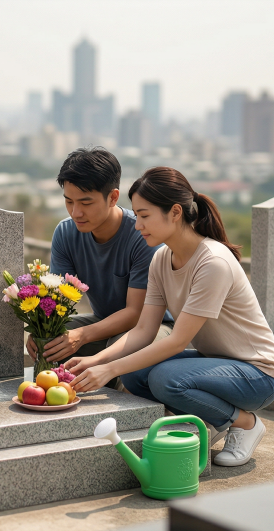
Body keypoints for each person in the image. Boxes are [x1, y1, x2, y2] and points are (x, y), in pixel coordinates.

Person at [67, 167, 274, 467]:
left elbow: (177, 341)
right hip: (215, 364)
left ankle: (245, 423)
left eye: (144, 215)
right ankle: (205, 419)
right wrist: (96, 362)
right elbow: (144, 329)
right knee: (133, 375)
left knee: (165, 378)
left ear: (175, 212)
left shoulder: (213, 262)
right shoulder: (161, 258)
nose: (138, 225)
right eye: (136, 215)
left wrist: (107, 369)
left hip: (258, 374)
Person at [29, 147, 171, 374]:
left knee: (125, 354)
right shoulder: (66, 233)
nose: (76, 213)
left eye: (86, 203)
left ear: (113, 197)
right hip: (102, 322)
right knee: (52, 340)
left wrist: (81, 336)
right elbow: (56, 302)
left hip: (154, 326)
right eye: (69, 202)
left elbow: (136, 313)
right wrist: (42, 331)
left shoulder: (142, 235)